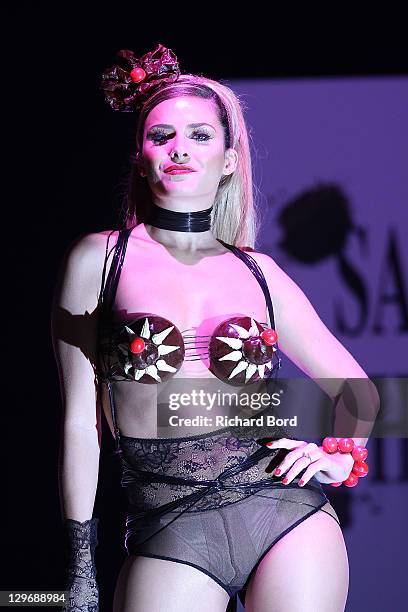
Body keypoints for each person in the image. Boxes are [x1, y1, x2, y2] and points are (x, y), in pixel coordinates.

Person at [51, 43, 379, 612]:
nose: (179, 148)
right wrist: (81, 564)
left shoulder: (259, 273)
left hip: (284, 513)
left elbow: (360, 391)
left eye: (200, 135)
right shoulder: (99, 260)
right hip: (167, 525)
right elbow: (82, 424)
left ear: (229, 158)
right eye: (161, 136)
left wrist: (339, 456)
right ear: (140, 154)